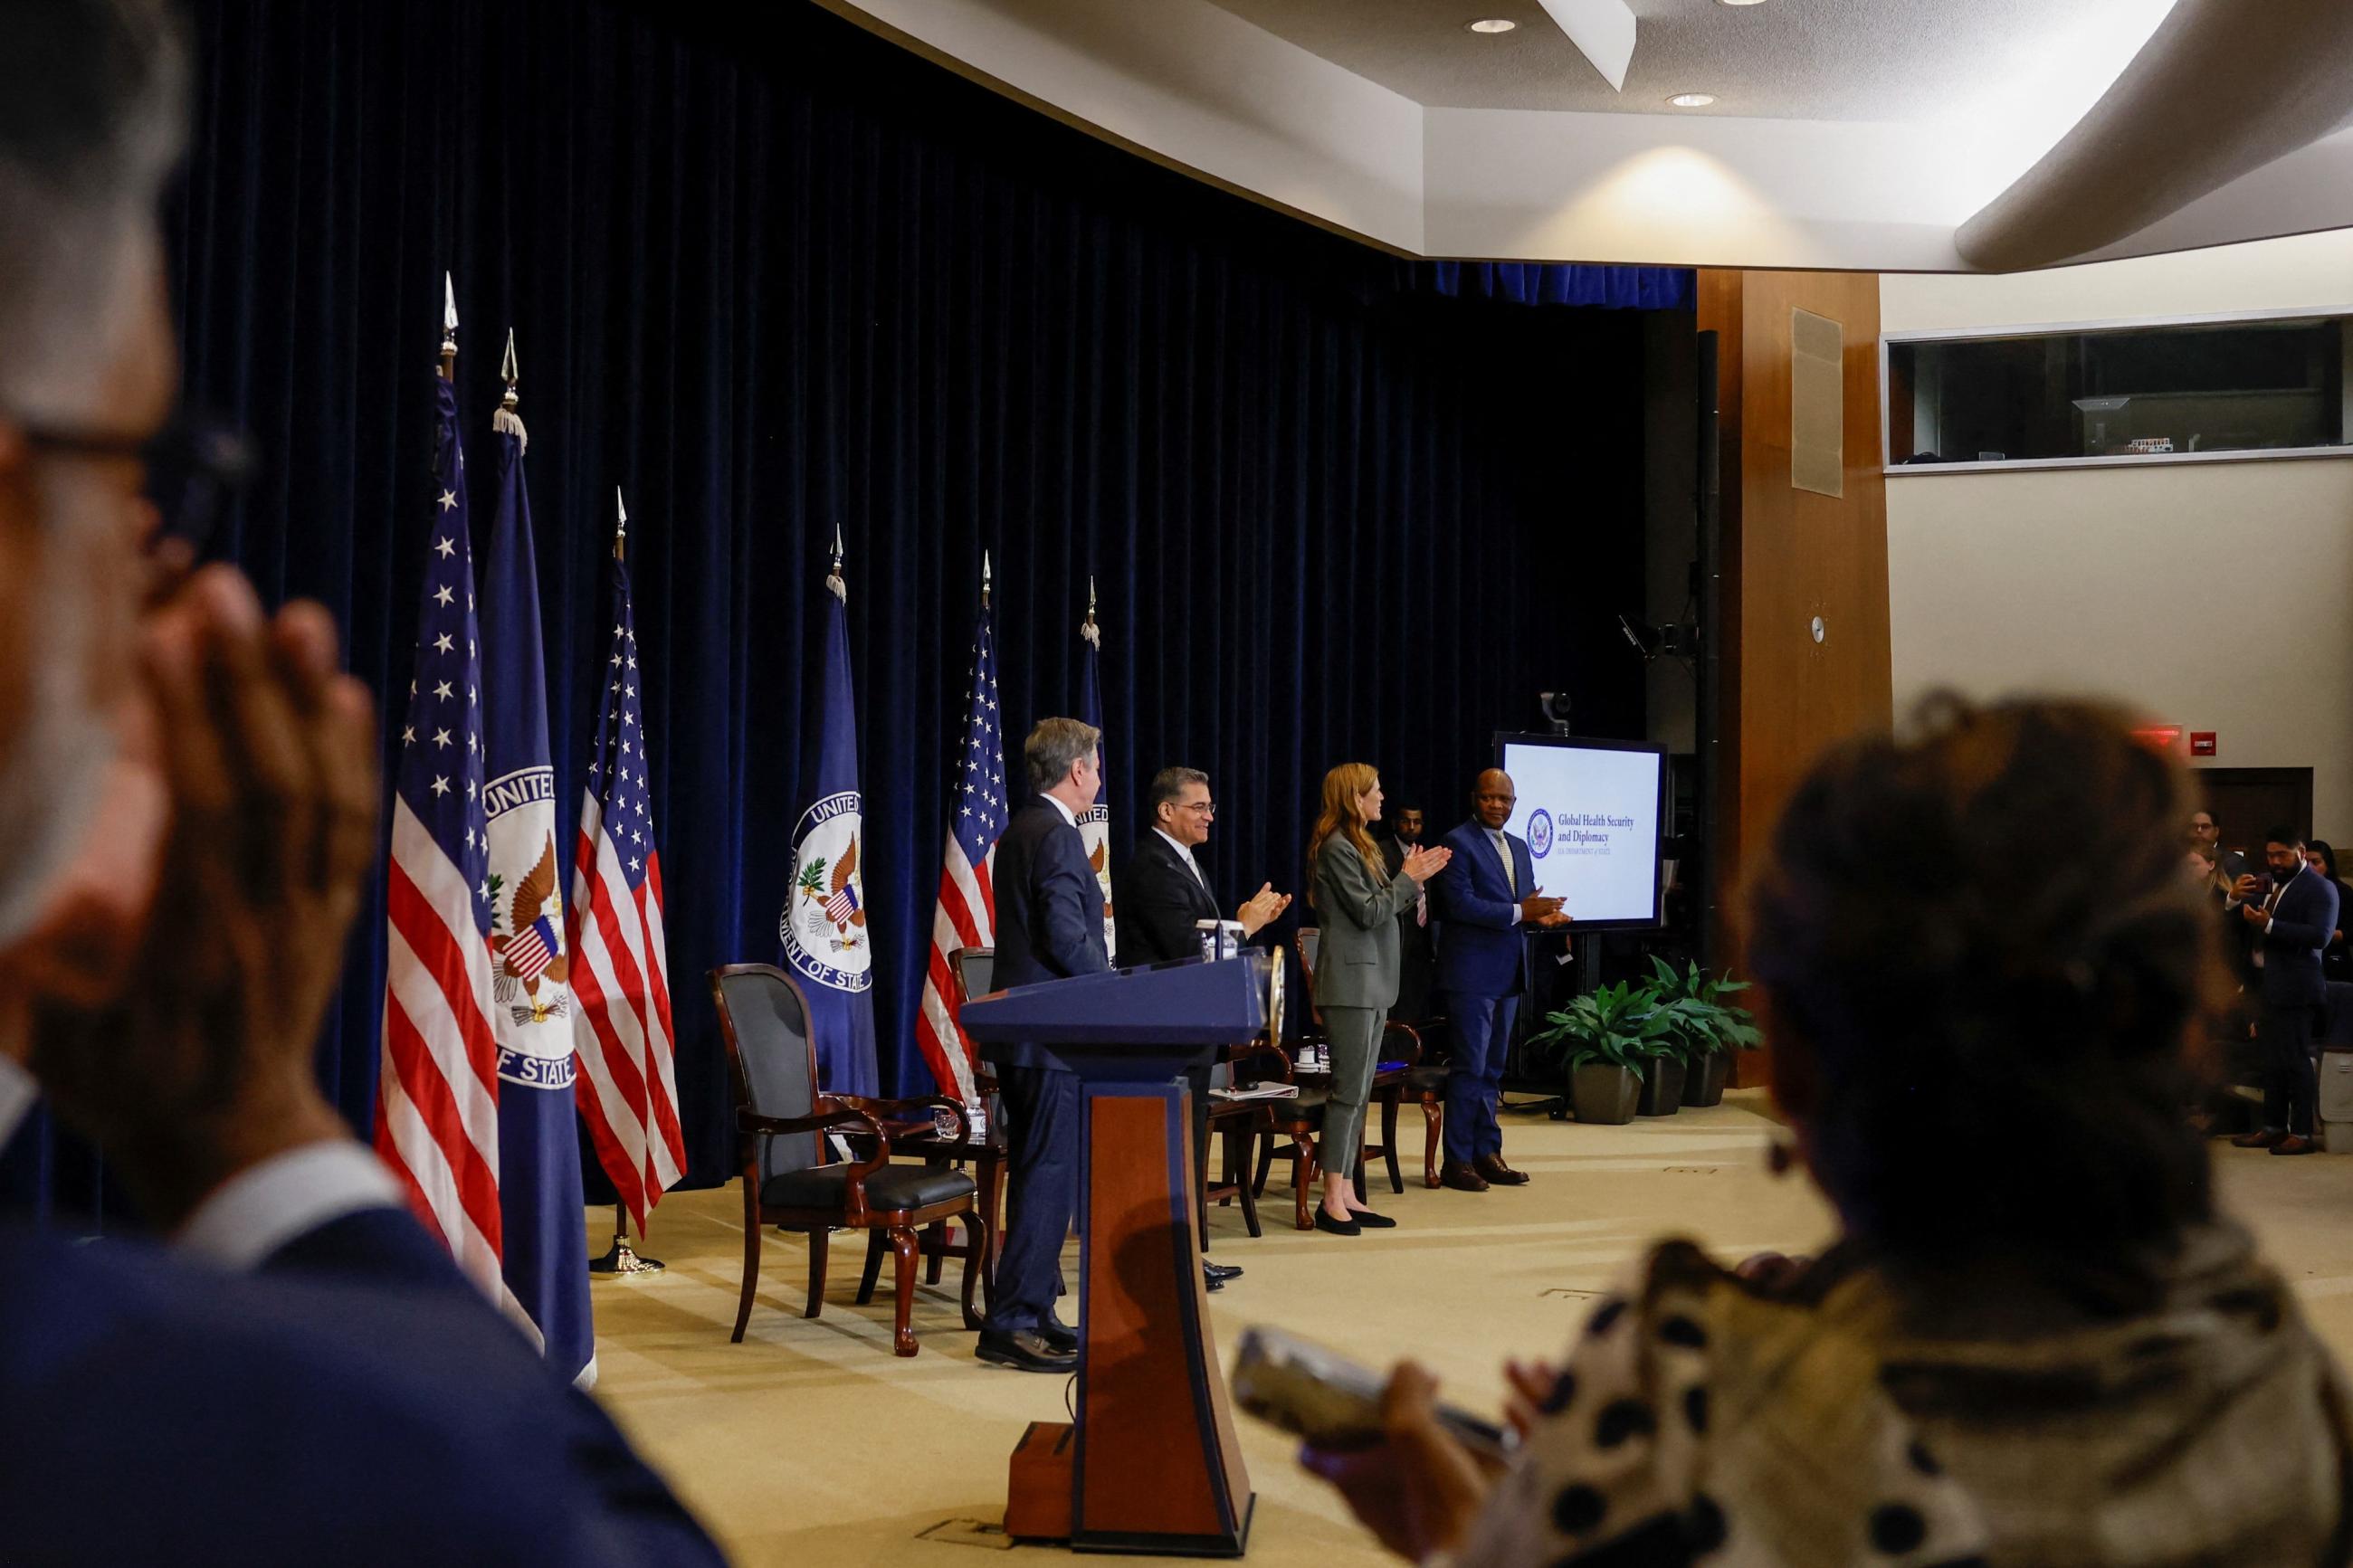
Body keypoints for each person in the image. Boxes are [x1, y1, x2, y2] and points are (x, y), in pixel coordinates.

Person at [0, 4, 722, 1559]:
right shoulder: (223, 1445)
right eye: (140, 474)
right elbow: (571, 1522)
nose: (166, 584)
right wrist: (253, 1128)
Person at [1302, 697, 2353, 1565]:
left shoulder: (1688, 1390)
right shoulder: (2285, 1380)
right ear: (2181, 1023)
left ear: (1798, 1072)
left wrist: (1482, 1531)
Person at [1113, 765, 1288, 1291]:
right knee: (1171, 1154)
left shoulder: (1182, 861)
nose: (1211, 815)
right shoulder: (1153, 866)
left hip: (1189, 1032)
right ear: (1167, 811)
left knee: (1188, 1151)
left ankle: (1185, 1257)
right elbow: (1188, 953)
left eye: (1211, 806)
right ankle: (1171, 1262)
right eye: (1199, 806)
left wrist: (1239, 923)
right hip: (1166, 1034)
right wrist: (1246, 925)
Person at [976, 717, 1110, 1372]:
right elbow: (1064, 936)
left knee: (1044, 1172)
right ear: (1076, 768)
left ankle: (1039, 1308)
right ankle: (1012, 1321)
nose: (1097, 772)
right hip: (1052, 1035)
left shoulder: (1024, 826)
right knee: (1047, 1175)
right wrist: (1111, 989)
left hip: (1032, 1033)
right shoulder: (1055, 835)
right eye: (1094, 761)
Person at [1305, 764, 1449, 1235]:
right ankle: (1330, 1198)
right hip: (1350, 985)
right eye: (1375, 790)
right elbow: (1369, 913)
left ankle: (1346, 1190)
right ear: (1354, 797)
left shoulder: (1361, 844)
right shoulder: (1337, 848)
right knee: (1347, 1092)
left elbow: (1385, 905)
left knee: (1360, 1092)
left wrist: (1410, 881)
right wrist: (1408, 879)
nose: (1383, 797)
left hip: (1373, 982)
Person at [1425, 770, 1566, 1193]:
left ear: (1514, 802)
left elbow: (1522, 906)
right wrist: (1524, 910)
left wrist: (1544, 916)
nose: (1496, 806)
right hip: (1471, 974)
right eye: (1488, 798)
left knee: (1493, 1069)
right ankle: (1457, 1161)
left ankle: (1488, 1153)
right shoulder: (1457, 842)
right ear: (1474, 798)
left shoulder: (1521, 847)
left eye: (1504, 799)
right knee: (1469, 1067)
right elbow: (1461, 905)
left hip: (1508, 971)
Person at [2227, 826, 2339, 1156]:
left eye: (2282, 855)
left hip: (2297, 986)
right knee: (2271, 1060)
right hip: (2265, 985)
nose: (2275, 861)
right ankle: (2273, 1127)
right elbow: (2232, 922)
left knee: (2294, 1059)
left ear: (2300, 852)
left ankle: (2302, 1133)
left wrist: (2269, 925)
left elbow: (2320, 936)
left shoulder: (2320, 889)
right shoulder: (2264, 881)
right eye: (2270, 855)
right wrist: (2233, 896)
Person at [1377, 804, 1437, 1025]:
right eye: (1405, 821)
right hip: (1394, 944)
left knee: (1413, 1012)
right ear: (1394, 823)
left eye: (1417, 822)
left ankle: (1408, 1058)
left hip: (1420, 947)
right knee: (1392, 1014)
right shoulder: (1381, 852)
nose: (1411, 827)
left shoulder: (1424, 853)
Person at [2305, 839, 2353, 984]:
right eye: (2305, 862)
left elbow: (2350, 932)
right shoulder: (2298, 890)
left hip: (2333, 960)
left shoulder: (2343, 891)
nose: (2309, 867)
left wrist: (2325, 933)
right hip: (2303, 962)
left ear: (2327, 864)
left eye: (2316, 862)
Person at [2191, 808, 2249, 882]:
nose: (2199, 831)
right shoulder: (2179, 860)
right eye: (2194, 826)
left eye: (2205, 827)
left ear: (2216, 831)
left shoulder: (2234, 862)